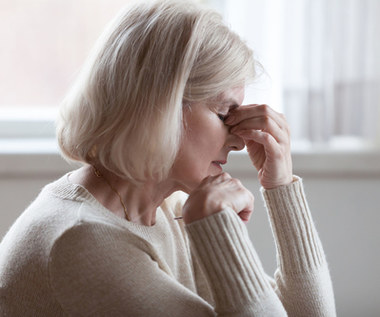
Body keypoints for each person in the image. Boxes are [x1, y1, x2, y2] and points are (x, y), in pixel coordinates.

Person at [0, 0, 336, 315]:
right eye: (223, 114)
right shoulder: (81, 241)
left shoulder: (166, 208)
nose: (238, 140)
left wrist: (281, 188)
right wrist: (217, 228)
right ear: (160, 109)